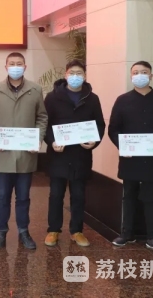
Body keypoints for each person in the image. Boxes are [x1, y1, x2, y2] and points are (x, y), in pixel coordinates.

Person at [108, 61, 153, 254]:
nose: (139, 75)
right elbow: (113, 129)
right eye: (136, 72)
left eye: (144, 72)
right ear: (131, 76)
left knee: (151, 198)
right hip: (130, 158)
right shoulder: (122, 100)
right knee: (129, 196)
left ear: (151, 76)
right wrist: (122, 146)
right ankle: (126, 234)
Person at [0, 52, 48, 250]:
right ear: (6, 67)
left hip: (26, 153)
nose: (15, 67)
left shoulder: (35, 89)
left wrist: (38, 138)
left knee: (24, 197)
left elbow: (42, 117)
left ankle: (23, 231)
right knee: (3, 196)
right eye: (12, 64)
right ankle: (1, 231)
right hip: (4, 153)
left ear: (25, 67)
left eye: (19, 63)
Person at [42, 60, 105, 247]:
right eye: (72, 73)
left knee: (78, 195)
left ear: (84, 76)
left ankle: (77, 231)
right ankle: (53, 230)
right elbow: (45, 124)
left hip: (81, 155)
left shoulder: (92, 98)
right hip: (58, 155)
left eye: (79, 73)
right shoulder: (52, 97)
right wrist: (52, 141)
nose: (75, 76)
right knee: (56, 194)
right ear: (66, 75)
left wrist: (94, 141)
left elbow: (99, 124)